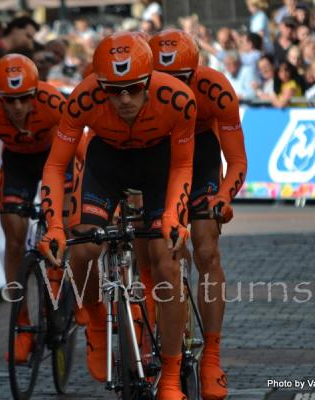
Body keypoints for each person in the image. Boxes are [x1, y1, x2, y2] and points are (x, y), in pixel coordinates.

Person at [39, 32, 197, 400]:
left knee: (167, 263)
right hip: (106, 165)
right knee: (81, 250)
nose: (123, 99)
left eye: (132, 89)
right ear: (100, 86)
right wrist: (55, 226)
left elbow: (183, 165)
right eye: (113, 90)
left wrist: (174, 214)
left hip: (159, 170)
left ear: (148, 82)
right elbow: (55, 165)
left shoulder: (178, 98)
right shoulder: (82, 98)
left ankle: (171, 376)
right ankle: (95, 319)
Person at [149, 29, 247, 400]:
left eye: (182, 80)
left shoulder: (216, 88)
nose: (174, 89)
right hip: (157, 155)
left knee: (207, 251)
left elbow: (236, 158)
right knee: (155, 254)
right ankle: (145, 333)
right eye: (163, 82)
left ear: (197, 71)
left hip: (201, 156)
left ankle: (212, 358)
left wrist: (223, 196)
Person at [0, 54, 67, 362]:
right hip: (17, 164)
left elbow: (80, 150)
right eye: (8, 100)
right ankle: (22, 323)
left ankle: (63, 284)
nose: (16, 107)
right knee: (13, 235)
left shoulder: (53, 101)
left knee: (69, 224)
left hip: (57, 157)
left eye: (24, 98)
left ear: (36, 93)